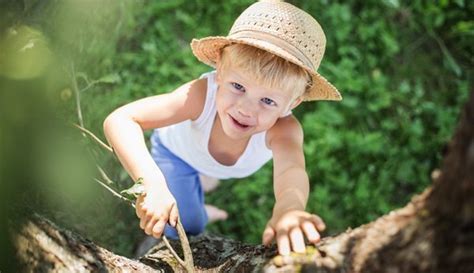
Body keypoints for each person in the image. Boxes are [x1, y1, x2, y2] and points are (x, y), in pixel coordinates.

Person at [103, 0, 342, 256]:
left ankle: (200, 185)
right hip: (177, 154)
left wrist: (289, 208)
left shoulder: (284, 130)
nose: (246, 109)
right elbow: (121, 119)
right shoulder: (200, 97)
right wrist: (152, 183)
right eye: (238, 87)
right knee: (188, 223)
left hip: (204, 157)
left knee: (199, 182)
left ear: (292, 103)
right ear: (219, 72)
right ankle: (193, 214)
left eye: (268, 101)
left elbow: (291, 171)